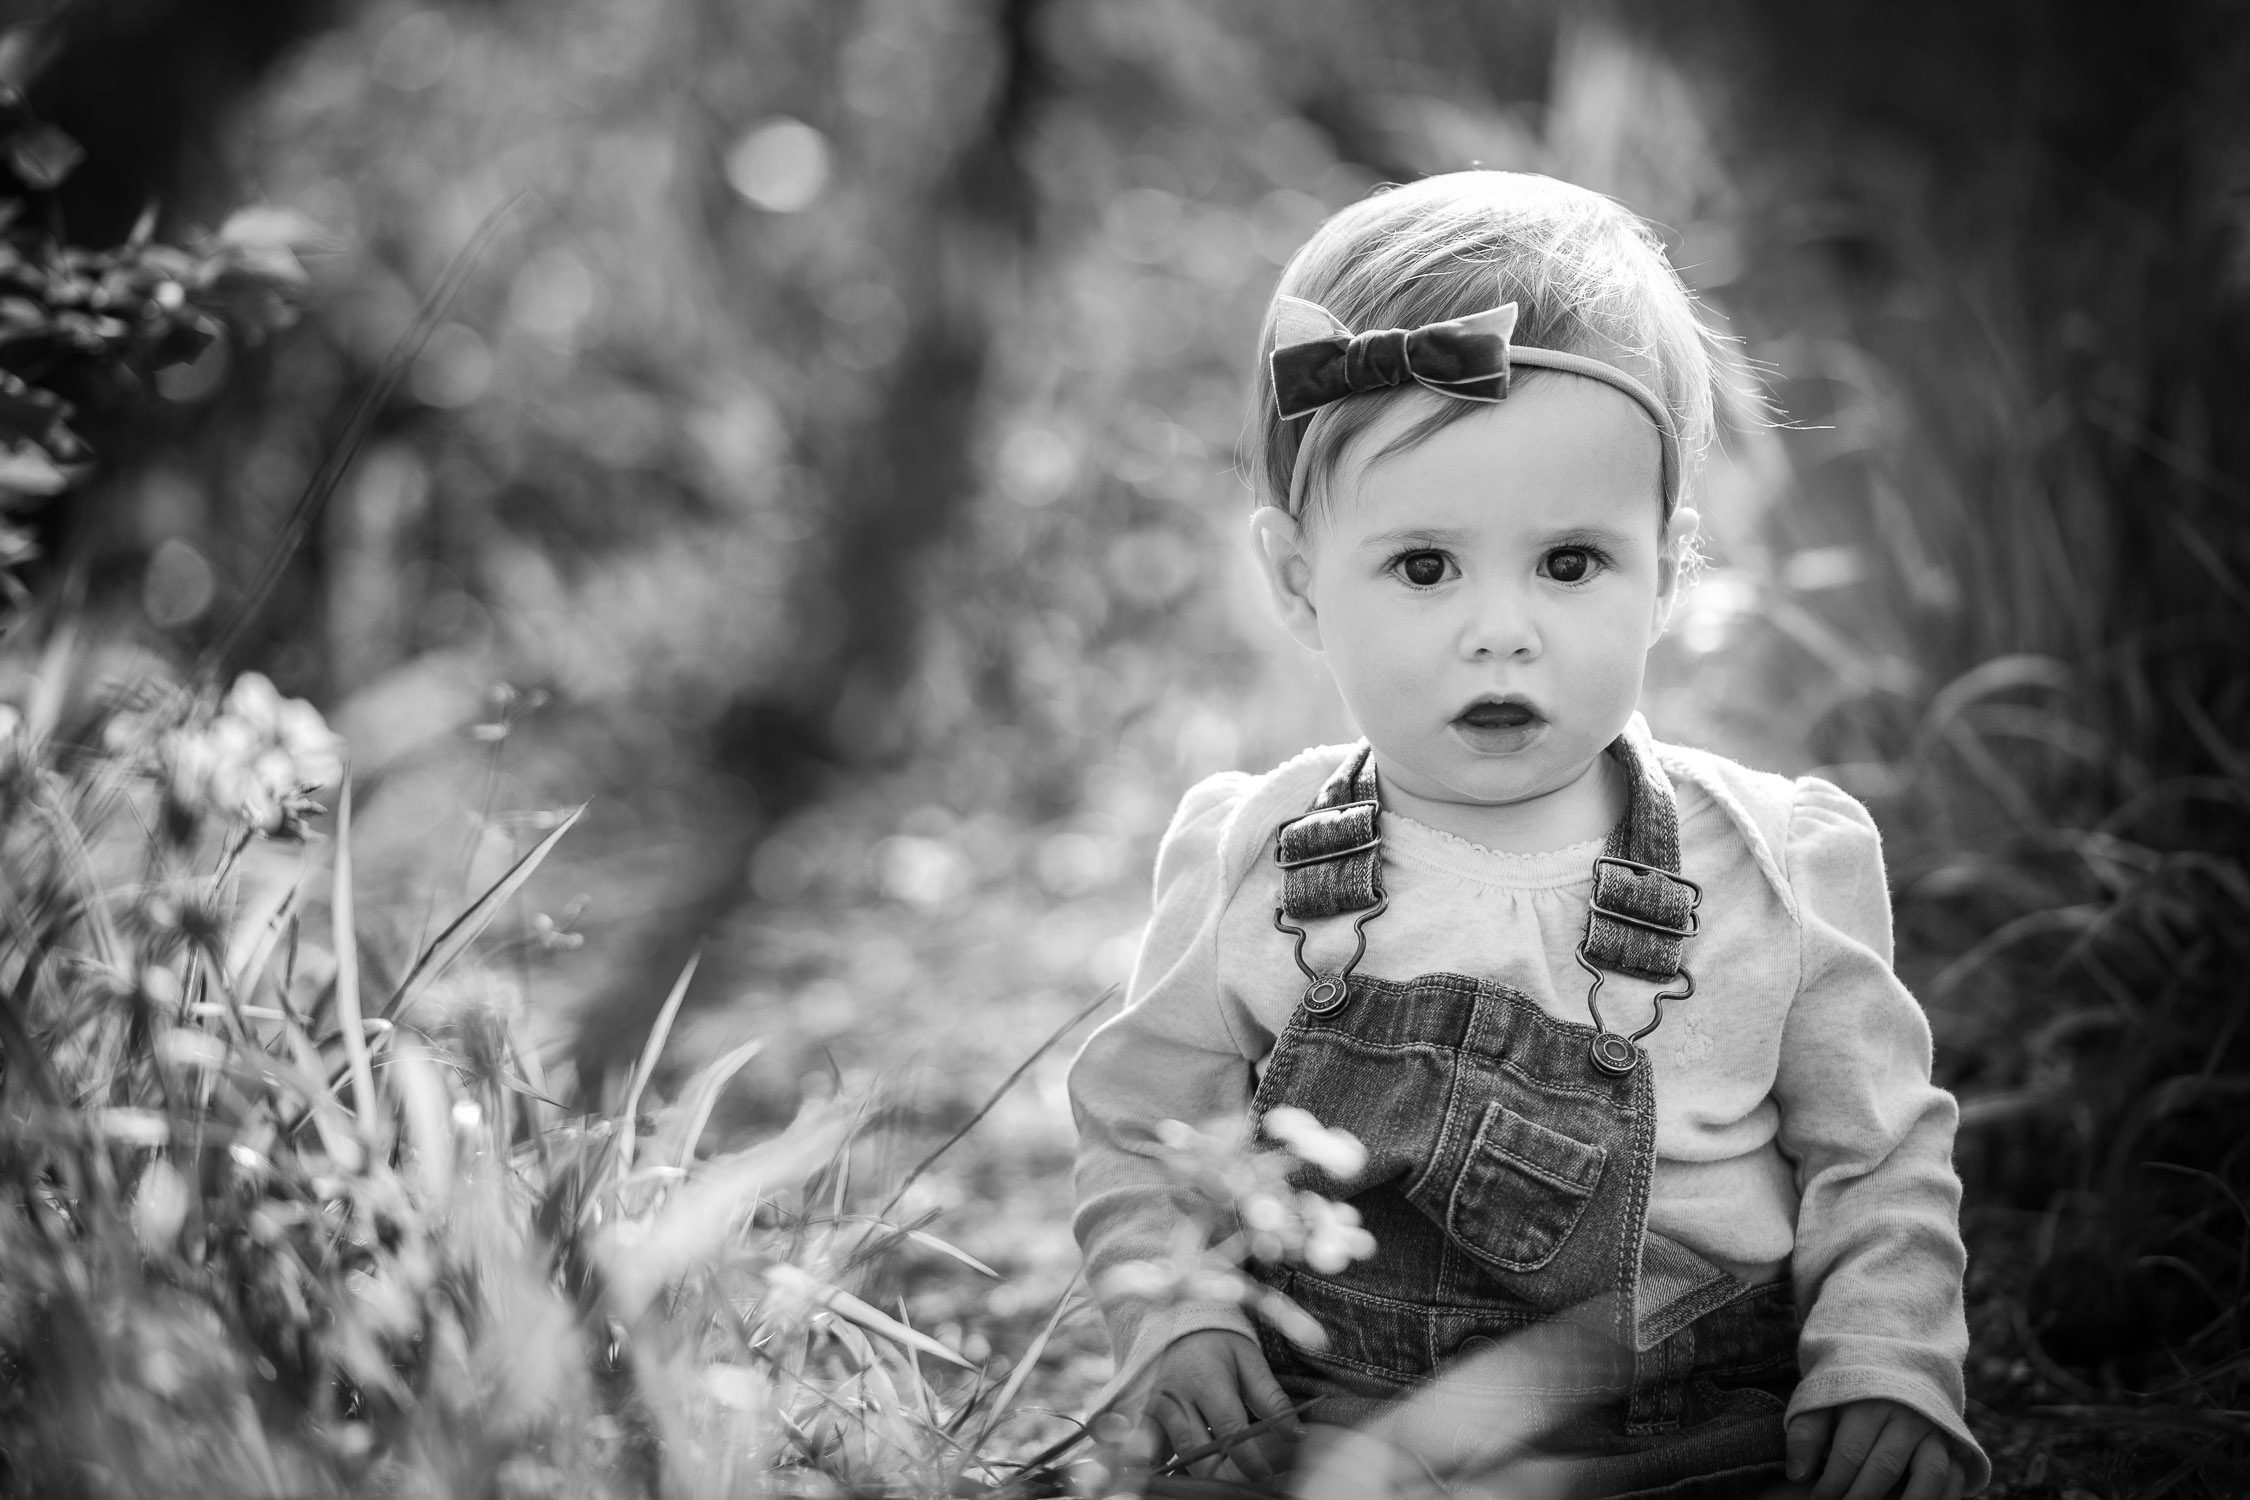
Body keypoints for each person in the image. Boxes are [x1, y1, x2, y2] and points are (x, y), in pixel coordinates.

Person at [1068, 170, 1987, 1500]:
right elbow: (1152, 1124)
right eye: (1423, 565)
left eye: (1567, 563)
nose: (1501, 628)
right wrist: (1180, 1315)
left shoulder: (1771, 865)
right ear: (1294, 579)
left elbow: (1874, 1154)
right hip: (1330, 1417)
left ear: (1666, 572)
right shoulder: (1258, 851)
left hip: (1686, 1437)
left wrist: (1884, 1367)